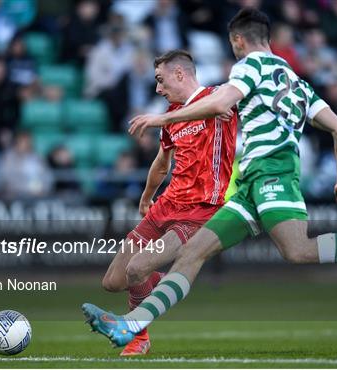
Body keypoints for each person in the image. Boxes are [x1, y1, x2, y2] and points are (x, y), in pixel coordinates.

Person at [83, 8, 337, 348]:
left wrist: (161, 119)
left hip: (273, 172)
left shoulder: (249, 66)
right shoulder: (299, 83)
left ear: (238, 40)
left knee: (297, 250)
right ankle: (133, 325)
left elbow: (221, 103)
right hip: (250, 186)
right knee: (192, 254)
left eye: (231, 43)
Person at [96, 49, 237, 355]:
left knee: (137, 270)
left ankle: (138, 337)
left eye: (160, 80)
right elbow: (162, 163)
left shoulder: (219, 98)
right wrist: (147, 197)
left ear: (179, 74)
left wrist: (162, 118)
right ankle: (174, 282)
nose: (157, 89)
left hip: (199, 210)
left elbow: (223, 103)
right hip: (165, 205)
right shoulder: (174, 116)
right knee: (113, 281)